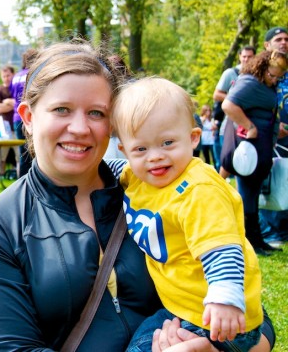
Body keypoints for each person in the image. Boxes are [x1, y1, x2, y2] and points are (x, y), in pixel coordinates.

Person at [0, 41, 276, 351]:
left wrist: (211, 348)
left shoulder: (156, 187)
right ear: (28, 117)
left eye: (97, 113)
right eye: (61, 109)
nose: (80, 128)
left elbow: (251, 317)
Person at [111, 77, 262, 351]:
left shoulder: (198, 189)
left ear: (193, 138)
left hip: (217, 317)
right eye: (141, 149)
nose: (155, 156)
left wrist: (225, 299)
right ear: (125, 152)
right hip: (181, 308)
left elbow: (221, 247)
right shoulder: (135, 176)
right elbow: (109, 169)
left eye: (168, 142)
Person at [221, 50, 288, 255]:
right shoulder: (249, 81)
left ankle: (257, 240)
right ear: (262, 67)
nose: (274, 79)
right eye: (272, 74)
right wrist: (249, 126)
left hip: (262, 146)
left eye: (279, 76)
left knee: (254, 193)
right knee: (248, 194)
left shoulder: (265, 84)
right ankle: (250, 243)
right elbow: (228, 104)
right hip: (249, 148)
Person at [260, 27, 288, 246]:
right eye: (278, 39)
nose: (284, 42)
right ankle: (271, 232)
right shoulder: (258, 74)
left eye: (287, 39)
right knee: (270, 182)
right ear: (266, 45)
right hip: (268, 138)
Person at [213, 46, 256, 172]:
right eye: (244, 56)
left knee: (244, 162)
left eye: (250, 57)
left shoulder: (258, 74)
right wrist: (234, 100)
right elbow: (216, 94)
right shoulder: (230, 73)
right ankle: (219, 188)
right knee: (228, 161)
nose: (247, 59)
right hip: (231, 123)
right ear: (239, 57)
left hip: (250, 123)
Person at [9, 48, 38, 177]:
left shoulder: (16, 76)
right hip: (30, 115)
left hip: (17, 116)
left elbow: (12, 94)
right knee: (34, 152)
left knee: (23, 152)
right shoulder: (35, 74)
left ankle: (22, 181)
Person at [0, 65, 19, 184]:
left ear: (13, 74)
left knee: (20, 158)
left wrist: (10, 103)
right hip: (2, 131)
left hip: (17, 129)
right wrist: (16, 104)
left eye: (8, 75)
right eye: (4, 76)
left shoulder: (17, 88)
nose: (6, 78)